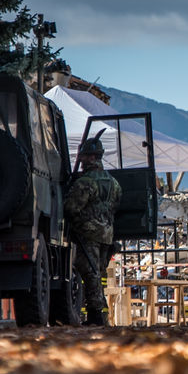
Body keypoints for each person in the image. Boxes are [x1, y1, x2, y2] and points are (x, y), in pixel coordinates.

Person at [63, 136, 121, 326]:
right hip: (107, 235)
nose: (80, 161)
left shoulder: (85, 182)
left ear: (90, 157)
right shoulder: (113, 183)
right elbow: (116, 205)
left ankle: (96, 316)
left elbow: (71, 208)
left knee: (91, 275)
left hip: (88, 235)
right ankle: (100, 314)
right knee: (99, 274)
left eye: (83, 157)